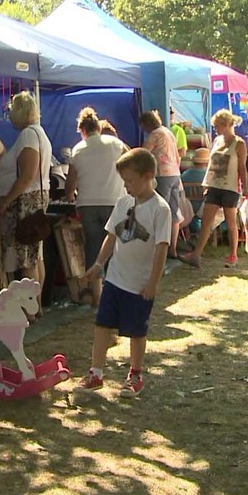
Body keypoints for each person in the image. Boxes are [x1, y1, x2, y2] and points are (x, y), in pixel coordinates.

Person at [75, 147, 170, 398]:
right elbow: (112, 236)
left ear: (147, 176)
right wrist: (98, 265)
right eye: (124, 181)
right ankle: (96, 373)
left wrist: (153, 283)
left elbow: (161, 249)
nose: (125, 186)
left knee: (136, 332)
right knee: (102, 325)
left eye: (129, 181)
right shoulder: (123, 203)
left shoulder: (160, 209)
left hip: (139, 285)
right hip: (115, 280)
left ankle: (135, 374)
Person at [66, 107, 128, 304]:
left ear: (82, 130)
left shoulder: (77, 149)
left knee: (93, 247)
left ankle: (97, 295)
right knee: (116, 246)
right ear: (98, 128)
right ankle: (118, 291)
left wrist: (69, 195)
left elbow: (71, 182)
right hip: (114, 201)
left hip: (88, 204)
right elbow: (133, 159)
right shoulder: (115, 143)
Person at [0, 91, 53, 289]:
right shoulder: (38, 133)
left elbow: (27, 174)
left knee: (26, 258)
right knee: (35, 256)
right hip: (34, 198)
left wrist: (6, 200)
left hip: (24, 203)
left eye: (11, 112)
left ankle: (29, 303)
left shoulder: (28, 135)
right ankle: (35, 301)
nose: (10, 117)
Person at [178, 109, 248, 269]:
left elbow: (242, 167)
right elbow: (211, 164)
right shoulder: (217, 141)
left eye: (217, 126)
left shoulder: (239, 143)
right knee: (206, 222)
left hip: (230, 187)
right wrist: (206, 182)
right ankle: (196, 255)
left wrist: (245, 188)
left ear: (226, 125)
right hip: (214, 186)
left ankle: (233, 255)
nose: (215, 129)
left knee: (231, 222)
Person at [140, 110, 184, 259]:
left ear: (146, 124)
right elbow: (177, 156)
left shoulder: (155, 135)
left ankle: (159, 250)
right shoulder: (168, 132)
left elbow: (143, 153)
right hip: (175, 174)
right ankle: (173, 248)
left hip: (162, 174)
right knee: (173, 212)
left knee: (160, 211)